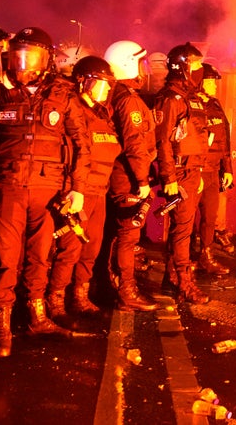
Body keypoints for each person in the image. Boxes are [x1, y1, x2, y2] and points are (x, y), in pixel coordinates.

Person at [0, 27, 90, 357]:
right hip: (9, 187)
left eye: (31, 58)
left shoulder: (63, 93)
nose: (23, 65)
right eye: (18, 56)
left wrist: (78, 189)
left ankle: (37, 316)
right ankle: (1, 324)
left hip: (48, 190)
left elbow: (82, 145)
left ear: (46, 60)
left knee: (40, 256)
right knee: (5, 258)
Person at [47, 56, 120, 318]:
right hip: (78, 190)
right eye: (102, 84)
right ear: (84, 82)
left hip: (99, 190)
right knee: (70, 247)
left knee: (92, 246)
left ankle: (80, 294)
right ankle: (55, 300)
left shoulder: (103, 114)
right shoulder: (74, 110)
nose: (107, 90)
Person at [102, 40, 159, 311]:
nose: (144, 69)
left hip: (117, 174)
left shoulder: (113, 94)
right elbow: (135, 143)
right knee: (128, 236)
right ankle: (126, 292)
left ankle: (112, 285)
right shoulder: (128, 100)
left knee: (116, 234)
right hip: (127, 177)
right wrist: (142, 180)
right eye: (140, 62)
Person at [152, 43, 211, 304]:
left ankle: (171, 280)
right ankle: (185, 284)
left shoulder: (191, 97)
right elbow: (162, 141)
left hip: (192, 169)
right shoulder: (170, 99)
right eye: (196, 66)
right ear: (183, 67)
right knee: (182, 231)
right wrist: (170, 178)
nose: (200, 71)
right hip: (180, 170)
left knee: (182, 229)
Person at [195, 63, 232, 276]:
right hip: (196, 170)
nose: (215, 86)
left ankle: (206, 255)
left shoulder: (216, 105)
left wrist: (227, 169)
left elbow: (224, 139)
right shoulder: (193, 104)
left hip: (214, 170)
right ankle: (187, 257)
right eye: (210, 82)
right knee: (188, 218)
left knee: (210, 217)